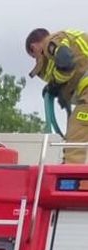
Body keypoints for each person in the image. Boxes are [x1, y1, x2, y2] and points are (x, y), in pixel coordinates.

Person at [26, 27, 88, 161]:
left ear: (34, 47)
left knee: (76, 134)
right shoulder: (70, 39)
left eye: (34, 56)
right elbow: (76, 68)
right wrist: (64, 94)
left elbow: (66, 63)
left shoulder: (50, 42)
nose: (36, 60)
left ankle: (71, 178)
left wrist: (55, 84)